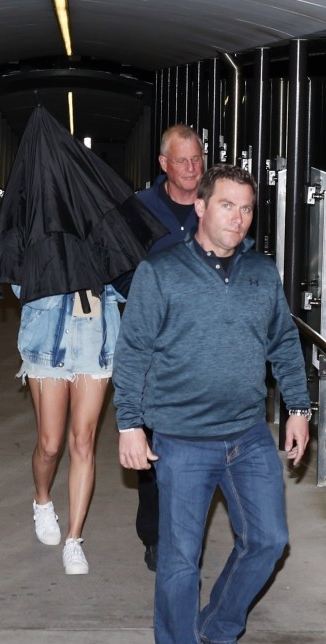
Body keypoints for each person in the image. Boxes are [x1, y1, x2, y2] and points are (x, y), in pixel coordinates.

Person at [113, 165, 312, 644]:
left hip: (247, 433)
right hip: (181, 437)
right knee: (180, 559)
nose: (238, 218)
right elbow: (132, 353)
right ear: (200, 207)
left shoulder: (261, 273)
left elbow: (284, 343)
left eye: (246, 208)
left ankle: (218, 629)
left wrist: (297, 406)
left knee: (269, 540)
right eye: (227, 205)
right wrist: (129, 422)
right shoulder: (162, 272)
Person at [132, 124, 205, 573]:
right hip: (155, 349)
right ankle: (156, 536)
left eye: (197, 159)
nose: (192, 168)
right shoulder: (140, 210)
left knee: (200, 446)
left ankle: (186, 533)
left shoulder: (214, 204)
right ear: (163, 164)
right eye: (182, 160)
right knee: (152, 448)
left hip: (204, 344)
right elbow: (119, 270)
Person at [16, 285, 124, 575]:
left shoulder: (105, 239)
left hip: (95, 341)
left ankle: (74, 539)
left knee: (83, 442)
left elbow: (127, 290)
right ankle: (42, 500)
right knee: (50, 445)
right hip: (47, 339)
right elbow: (20, 287)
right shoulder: (40, 238)